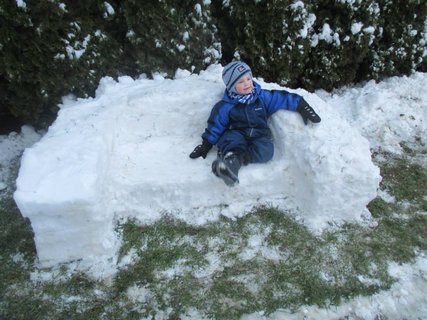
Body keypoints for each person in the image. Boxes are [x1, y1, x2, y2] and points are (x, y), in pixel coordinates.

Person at [189, 61, 321, 186]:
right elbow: (215, 125)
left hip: (259, 134)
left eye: (248, 78)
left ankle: (240, 159)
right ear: (231, 86)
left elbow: (282, 98)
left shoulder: (262, 97)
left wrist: (302, 106)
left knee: (266, 151)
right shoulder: (225, 106)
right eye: (240, 81)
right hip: (237, 132)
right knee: (230, 140)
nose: (247, 83)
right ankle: (230, 162)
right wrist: (206, 144)